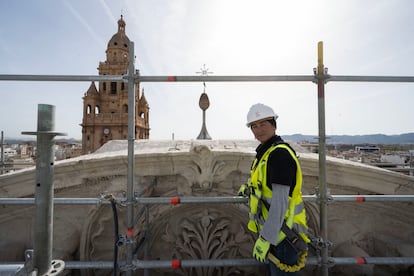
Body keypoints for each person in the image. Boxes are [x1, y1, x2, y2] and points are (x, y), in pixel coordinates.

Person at [239, 103, 310, 275]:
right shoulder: (266, 153)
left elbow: (280, 202)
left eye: (263, 124)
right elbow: (265, 188)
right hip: (275, 233)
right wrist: (248, 190)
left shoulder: (279, 155)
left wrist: (265, 239)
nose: (258, 130)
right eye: (254, 126)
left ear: (274, 125)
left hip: (283, 236)